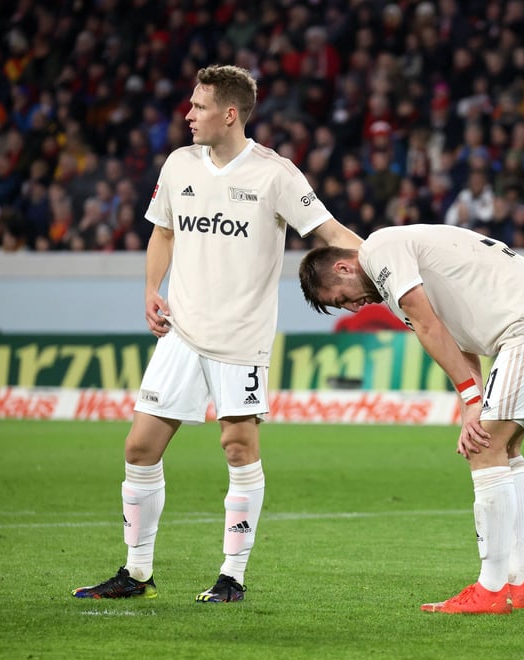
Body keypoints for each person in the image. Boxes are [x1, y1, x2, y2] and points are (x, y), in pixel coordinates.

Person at [72, 65, 362, 603]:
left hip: (240, 337)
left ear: (230, 114)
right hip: (181, 330)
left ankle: (233, 576)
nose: (188, 115)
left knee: (237, 447)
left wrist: (382, 262)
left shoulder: (276, 175)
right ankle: (136, 574)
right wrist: (150, 289)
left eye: (199, 107)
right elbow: (163, 231)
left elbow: (327, 232)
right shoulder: (179, 164)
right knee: (139, 448)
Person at [298, 224, 524, 614]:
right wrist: (472, 400)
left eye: (341, 298)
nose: (351, 307)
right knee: (506, 447)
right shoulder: (395, 275)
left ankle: (491, 589)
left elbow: (430, 327)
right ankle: (517, 583)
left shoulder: (380, 251)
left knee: (483, 448)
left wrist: (471, 402)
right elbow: (452, 339)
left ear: (345, 268)